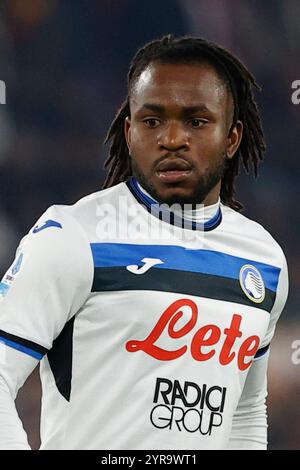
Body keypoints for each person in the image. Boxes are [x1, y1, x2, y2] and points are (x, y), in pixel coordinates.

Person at [0, 35, 288, 450]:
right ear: (130, 132)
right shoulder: (74, 238)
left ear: (232, 137)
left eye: (196, 121)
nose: (172, 138)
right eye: (152, 121)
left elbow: (244, 411)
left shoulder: (263, 261)